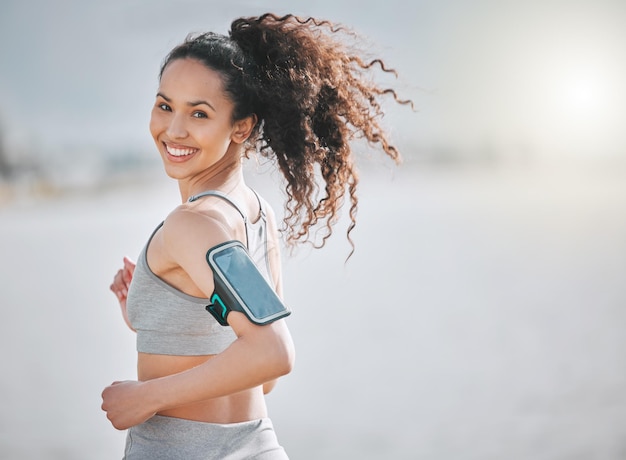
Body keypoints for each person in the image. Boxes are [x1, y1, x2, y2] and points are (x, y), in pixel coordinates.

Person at [101, 13, 410, 459]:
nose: (174, 129)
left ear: (242, 127)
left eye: (199, 113)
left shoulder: (191, 225)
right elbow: (260, 376)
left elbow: (272, 355)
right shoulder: (255, 216)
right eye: (165, 105)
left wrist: (147, 396)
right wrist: (151, 313)